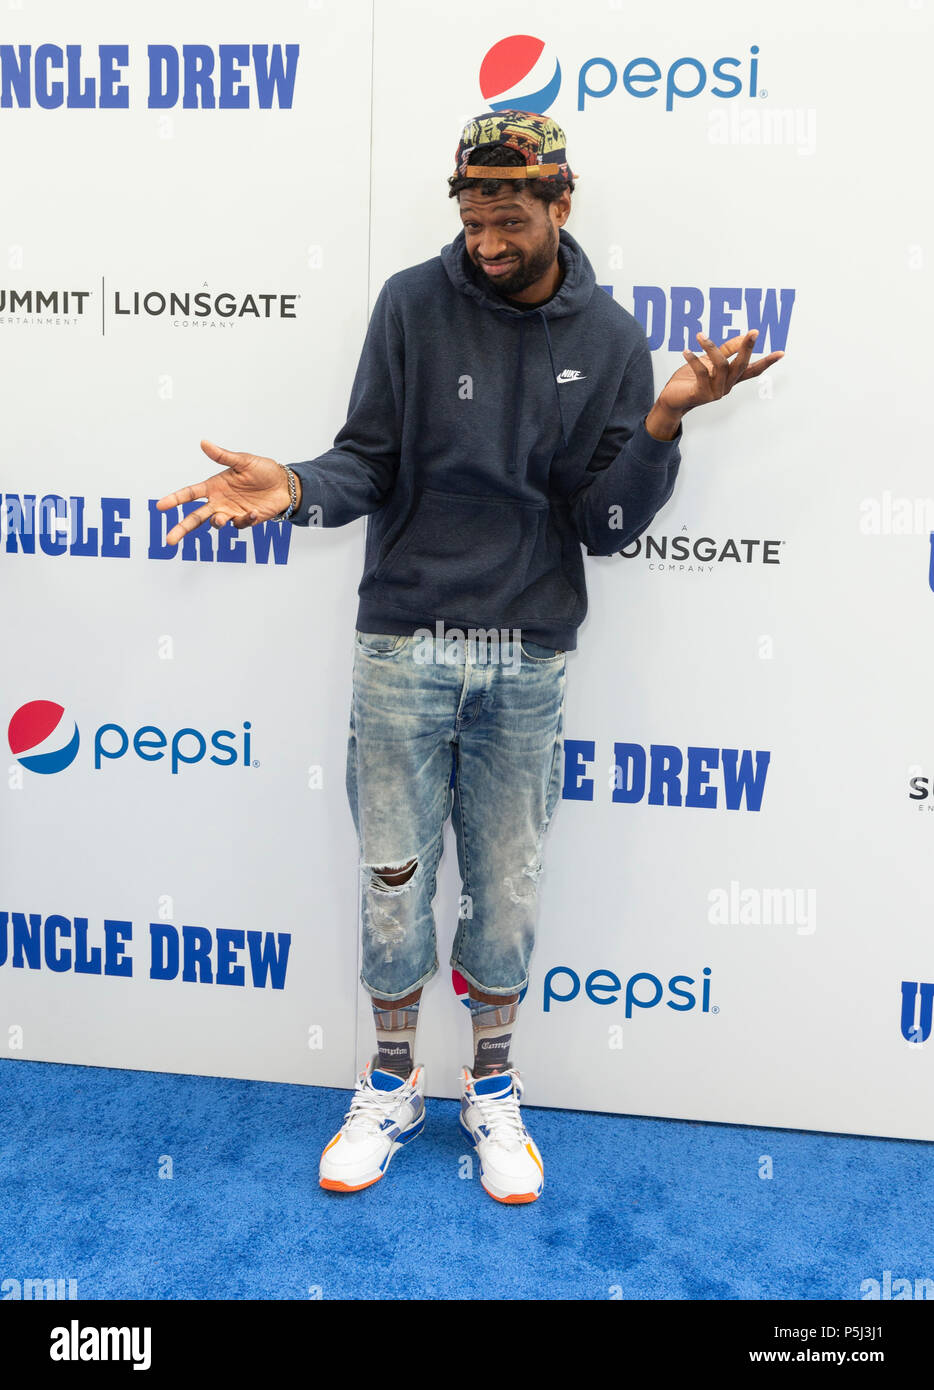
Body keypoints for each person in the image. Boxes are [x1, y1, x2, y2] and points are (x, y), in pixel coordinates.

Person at [156, 110, 783, 1205]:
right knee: (393, 885)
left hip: (526, 659)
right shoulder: (410, 303)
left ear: (559, 206)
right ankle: (390, 1084)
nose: (486, 237)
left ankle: (491, 1090)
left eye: (508, 215)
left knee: (505, 891)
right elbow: (365, 460)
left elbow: (606, 526)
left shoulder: (614, 339)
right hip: (402, 646)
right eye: (472, 213)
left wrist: (666, 421)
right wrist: (298, 487)